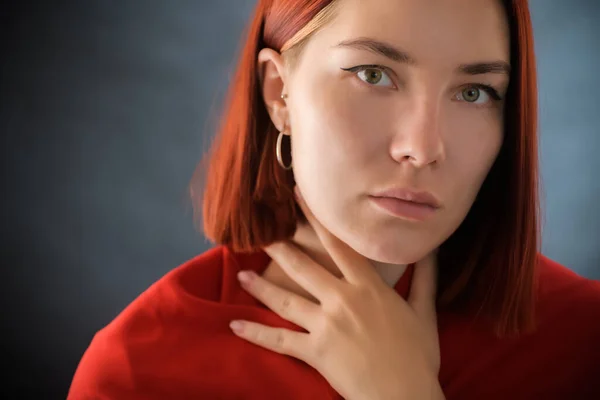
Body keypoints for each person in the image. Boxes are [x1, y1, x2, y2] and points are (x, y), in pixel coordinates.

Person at [68, 0, 600, 399]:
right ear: (279, 94)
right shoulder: (139, 370)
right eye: (373, 75)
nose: (421, 148)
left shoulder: (580, 345)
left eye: (473, 92)